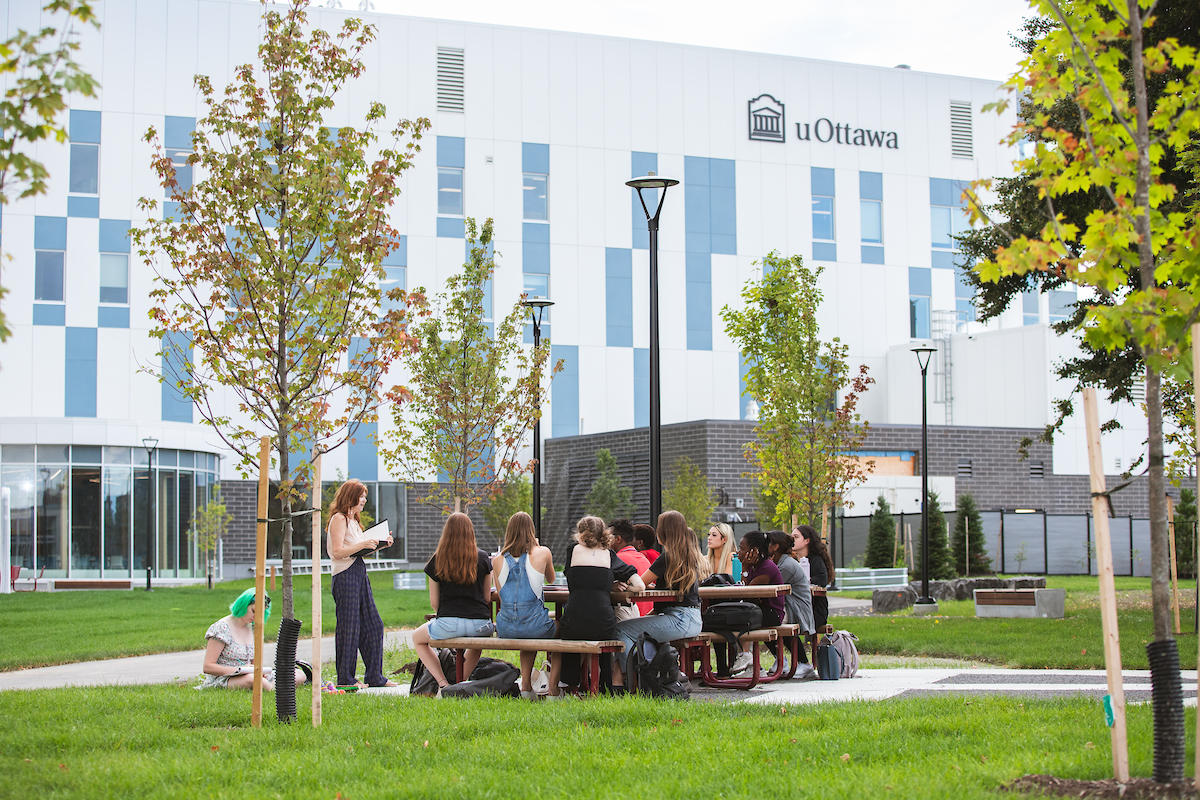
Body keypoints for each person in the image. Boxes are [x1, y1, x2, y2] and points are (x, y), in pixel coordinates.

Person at [548, 515, 644, 698]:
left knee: (566, 632)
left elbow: (571, 575)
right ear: (604, 533)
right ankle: (604, 686)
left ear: (580, 532)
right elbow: (639, 585)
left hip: (575, 619)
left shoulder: (572, 550)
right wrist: (613, 585)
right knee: (604, 641)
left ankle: (570, 685)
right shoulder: (609, 554)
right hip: (603, 622)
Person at [612, 510, 705, 690]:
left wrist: (619, 586)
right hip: (692, 618)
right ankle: (639, 676)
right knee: (638, 629)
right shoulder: (687, 554)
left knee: (621, 629)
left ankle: (627, 678)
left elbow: (639, 583)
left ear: (663, 532)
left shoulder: (667, 556)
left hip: (679, 619)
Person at [412, 512, 496, 695]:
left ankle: (443, 685)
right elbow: (487, 598)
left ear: (446, 533)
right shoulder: (483, 558)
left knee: (417, 639)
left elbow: (435, 604)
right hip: (480, 624)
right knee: (477, 642)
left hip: (448, 623)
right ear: (470, 532)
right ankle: (460, 683)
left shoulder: (437, 560)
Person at [327, 479, 395, 688]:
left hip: (359, 573)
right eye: (362, 495)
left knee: (374, 625)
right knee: (349, 628)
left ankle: (375, 676)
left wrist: (379, 545)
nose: (365, 500)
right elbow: (337, 552)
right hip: (345, 575)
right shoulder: (339, 519)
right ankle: (346, 679)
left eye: (365, 495)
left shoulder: (354, 521)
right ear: (351, 496)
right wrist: (363, 544)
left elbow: (358, 549)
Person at [492, 512, 557, 700]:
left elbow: (500, 594)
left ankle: (527, 687)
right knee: (562, 633)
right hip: (534, 625)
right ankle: (554, 689)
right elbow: (551, 578)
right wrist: (535, 547)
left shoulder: (497, 559)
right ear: (531, 531)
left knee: (528, 630)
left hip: (506, 627)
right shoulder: (542, 552)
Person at [198, 587, 308, 690]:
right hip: (226, 677)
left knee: (298, 674)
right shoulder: (221, 628)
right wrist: (238, 670)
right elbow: (208, 667)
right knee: (253, 680)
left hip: (250, 674)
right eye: (253, 611)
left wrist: (259, 671)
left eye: (261, 613)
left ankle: (272, 686)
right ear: (242, 605)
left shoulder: (254, 628)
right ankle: (275, 688)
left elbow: (255, 663)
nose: (256, 617)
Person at [729, 530, 784, 676]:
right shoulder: (755, 566)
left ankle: (747, 658)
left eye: (742, 548)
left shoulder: (766, 567)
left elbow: (749, 593)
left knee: (734, 618)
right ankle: (750, 663)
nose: (738, 552)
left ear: (754, 551)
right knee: (728, 617)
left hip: (772, 614)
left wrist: (745, 568)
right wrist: (746, 568)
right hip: (758, 611)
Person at [768, 530, 816, 678]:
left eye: (767, 543)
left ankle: (803, 663)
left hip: (797, 609)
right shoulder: (779, 562)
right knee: (763, 617)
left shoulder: (786, 565)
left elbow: (770, 588)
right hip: (788, 606)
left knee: (767, 619)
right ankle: (782, 659)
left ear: (775, 546)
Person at [793, 524, 834, 630]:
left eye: (796, 537)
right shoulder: (792, 561)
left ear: (807, 540)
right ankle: (796, 647)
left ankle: (798, 647)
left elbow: (822, 580)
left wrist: (803, 581)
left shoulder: (816, 560)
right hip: (798, 608)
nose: (792, 540)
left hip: (815, 611)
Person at [608, 519, 652, 617]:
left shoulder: (617, 561)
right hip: (647, 616)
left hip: (630, 616)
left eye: (607, 537)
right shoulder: (643, 558)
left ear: (618, 539)